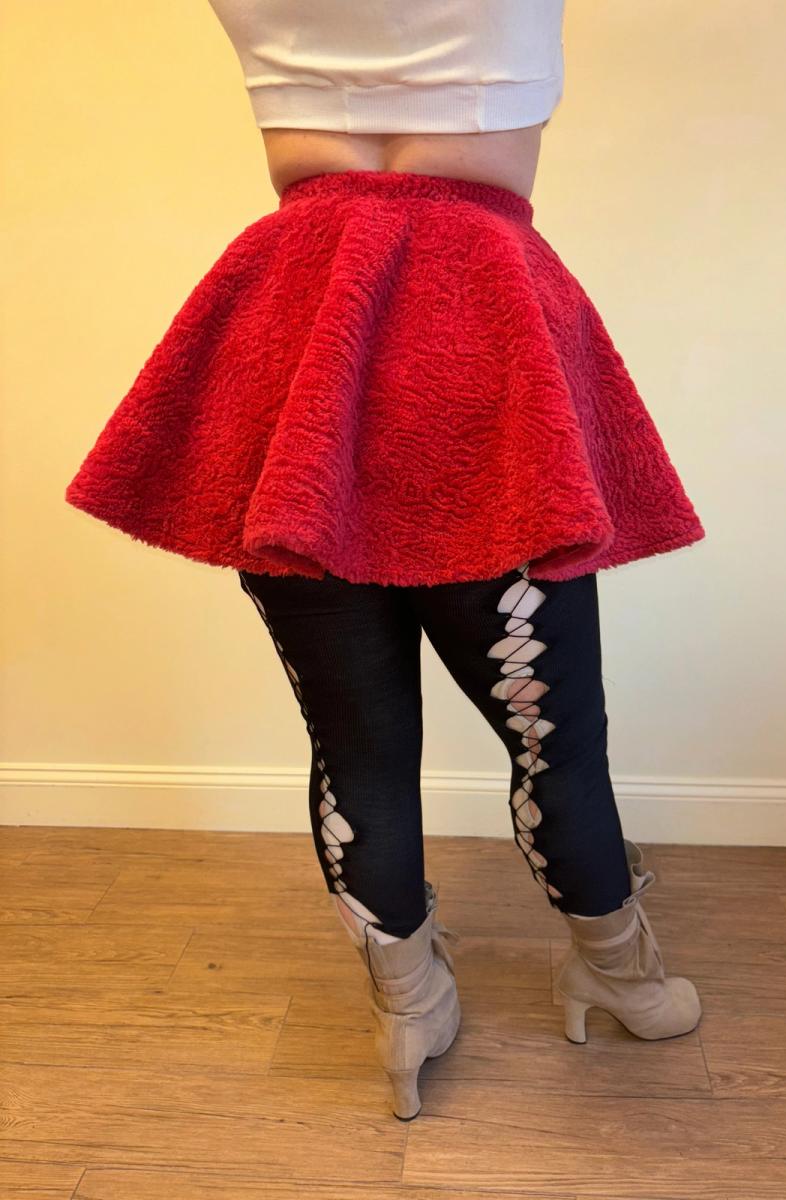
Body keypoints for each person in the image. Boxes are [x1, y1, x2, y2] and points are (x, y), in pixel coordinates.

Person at [63, 1, 705, 1121]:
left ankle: (408, 1005)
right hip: (478, 343)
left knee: (357, 749)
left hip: (297, 347)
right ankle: (625, 977)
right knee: (556, 743)